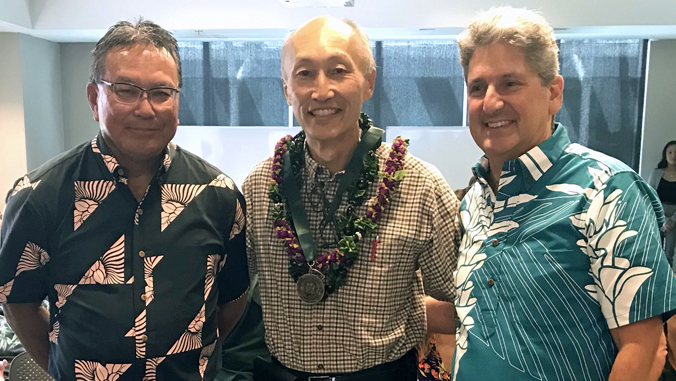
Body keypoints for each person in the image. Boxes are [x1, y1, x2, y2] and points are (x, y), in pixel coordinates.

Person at [0, 19, 249, 380]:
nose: (146, 109)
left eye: (161, 92)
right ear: (93, 98)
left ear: (177, 99)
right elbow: (18, 302)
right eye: (126, 90)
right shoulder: (38, 197)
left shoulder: (219, 196)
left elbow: (232, 300)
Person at [451, 6, 676, 381]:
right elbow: (484, 311)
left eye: (510, 83)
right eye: (478, 87)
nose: (490, 102)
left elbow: (644, 348)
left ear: (554, 93)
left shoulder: (608, 189)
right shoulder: (475, 200)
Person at [242, 16, 460, 381]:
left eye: (338, 71)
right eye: (304, 74)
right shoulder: (259, 186)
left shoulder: (420, 186)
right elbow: (225, 295)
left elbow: (463, 299)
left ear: (369, 82)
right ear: (286, 89)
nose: (321, 91)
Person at [649, 141, 676, 270]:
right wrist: (663, 219)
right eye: (670, 152)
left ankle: (668, 284)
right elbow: (650, 195)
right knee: (655, 250)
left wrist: (672, 220)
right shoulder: (656, 173)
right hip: (657, 214)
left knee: (669, 253)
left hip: (674, 218)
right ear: (665, 155)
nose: (673, 155)